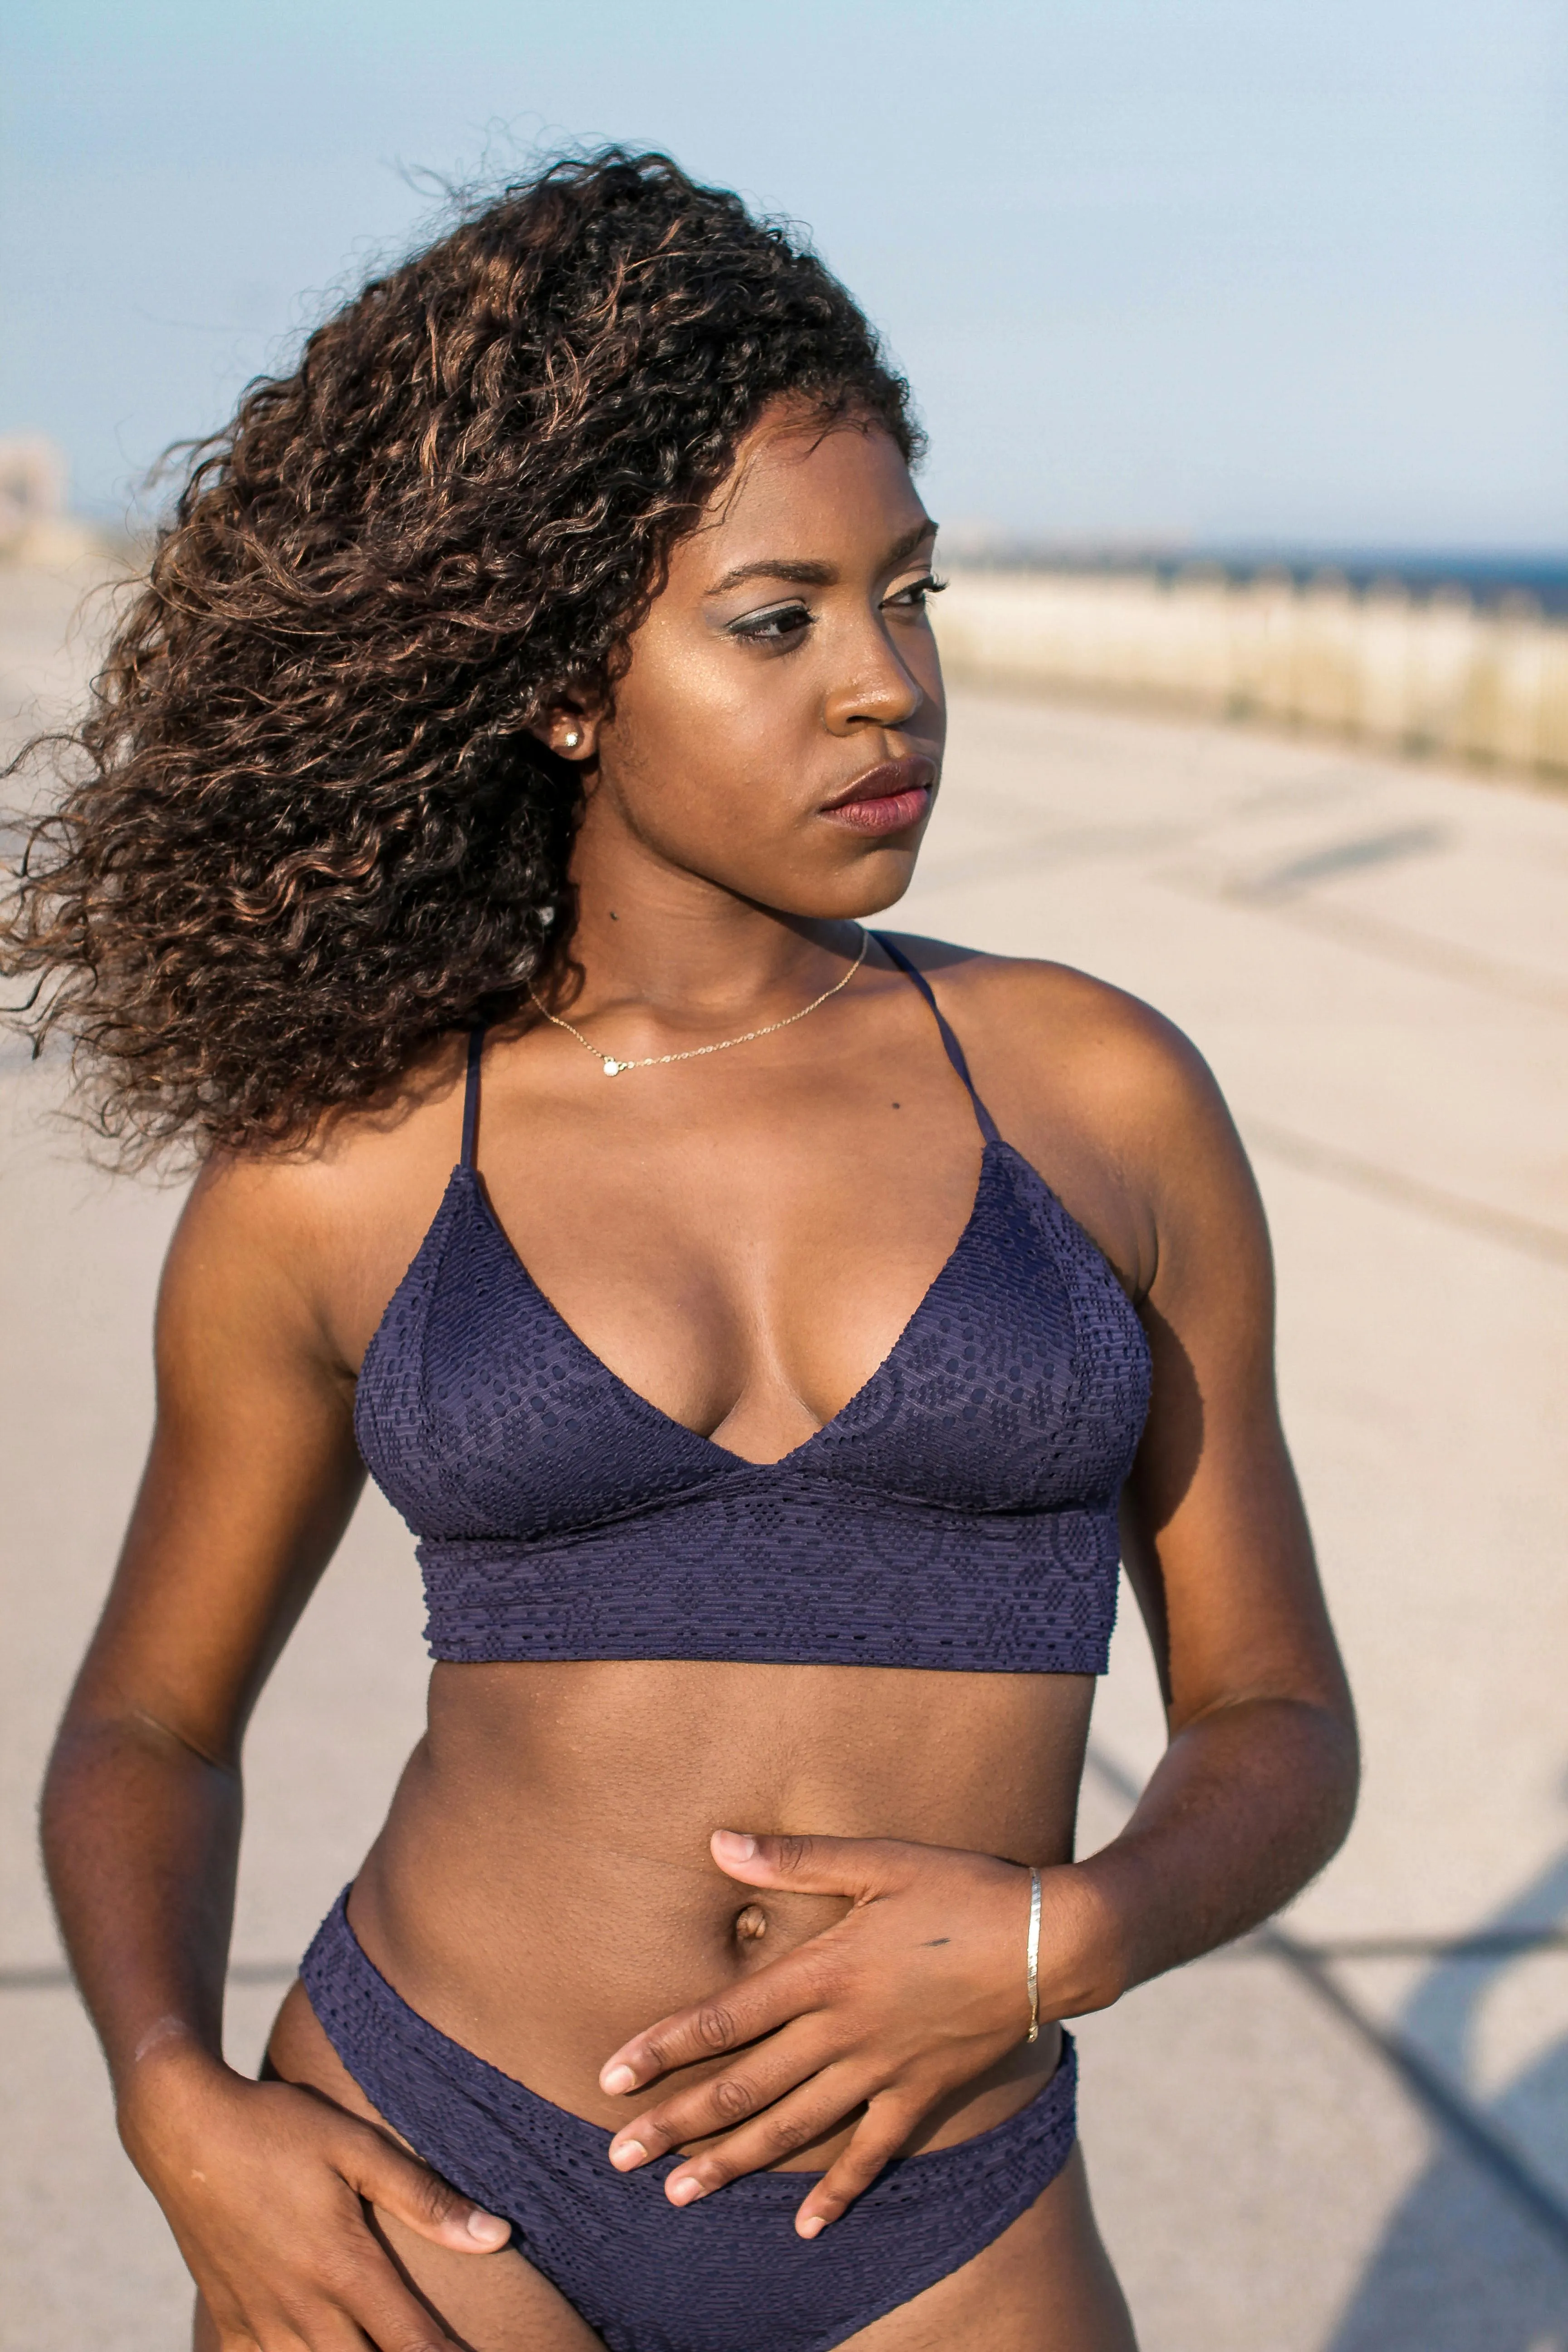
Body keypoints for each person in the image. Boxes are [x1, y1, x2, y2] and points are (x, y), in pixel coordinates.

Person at [6, 151, 1357, 2352]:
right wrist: (173, 2101)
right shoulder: (342, 1165)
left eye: (907, 595)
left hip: (949, 2222)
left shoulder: (1098, 1098)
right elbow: (148, 1724)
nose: (884, 687)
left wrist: (1063, 1939)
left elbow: (1278, 1712)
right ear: (560, 685)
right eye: (778, 617)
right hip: (443, 2191)